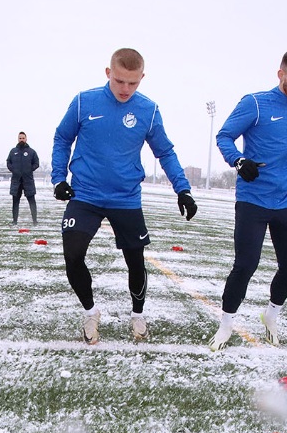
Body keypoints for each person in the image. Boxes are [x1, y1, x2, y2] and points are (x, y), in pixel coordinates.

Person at [50, 47, 196, 344]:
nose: (125, 89)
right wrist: (58, 178)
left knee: (135, 261)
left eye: (133, 83)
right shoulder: (84, 101)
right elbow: (62, 138)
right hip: (85, 195)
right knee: (73, 255)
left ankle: (138, 315)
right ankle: (91, 312)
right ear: (108, 73)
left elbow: (165, 152)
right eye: (119, 81)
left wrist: (183, 189)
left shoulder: (148, 110)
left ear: (142, 78)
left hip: (126, 198)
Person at [210, 49, 287, 351]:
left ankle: (271, 315)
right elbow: (224, 136)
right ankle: (226, 324)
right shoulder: (255, 103)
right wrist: (238, 160)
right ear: (281, 74)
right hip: (254, 199)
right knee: (246, 265)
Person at [6, 132, 40, 224]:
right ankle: (14, 221)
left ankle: (35, 221)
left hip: (28, 180)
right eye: (20, 138)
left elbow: (36, 163)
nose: (21, 140)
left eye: (23, 138)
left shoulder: (31, 152)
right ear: (18, 139)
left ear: (26, 139)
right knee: (15, 202)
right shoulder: (13, 151)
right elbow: (8, 162)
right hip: (16, 181)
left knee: (32, 201)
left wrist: (30, 169)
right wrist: (13, 169)